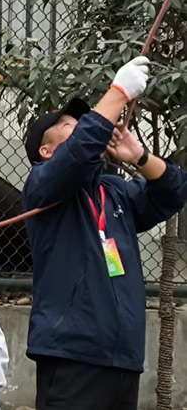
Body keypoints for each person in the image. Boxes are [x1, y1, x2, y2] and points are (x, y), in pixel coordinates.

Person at [22, 56, 187, 410]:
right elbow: (78, 152)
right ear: (46, 151)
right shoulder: (43, 185)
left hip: (123, 359)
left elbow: (173, 193)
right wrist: (118, 93)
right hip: (72, 356)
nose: (84, 127)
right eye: (70, 125)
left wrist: (139, 156)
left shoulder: (114, 192)